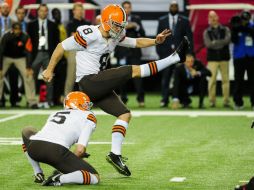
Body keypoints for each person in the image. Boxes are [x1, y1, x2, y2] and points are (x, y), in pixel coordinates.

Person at [42, 4, 189, 176]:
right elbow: (61, 46)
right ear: (105, 21)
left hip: (98, 83)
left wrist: (155, 41)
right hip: (88, 81)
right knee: (131, 70)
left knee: (124, 114)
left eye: (121, 25)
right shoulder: (89, 34)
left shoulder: (114, 35)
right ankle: (175, 58)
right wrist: (49, 69)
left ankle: (114, 154)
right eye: (116, 25)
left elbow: (135, 42)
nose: (119, 29)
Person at [21, 91, 99, 186]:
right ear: (75, 104)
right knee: (94, 177)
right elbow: (80, 150)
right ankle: (59, 178)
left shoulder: (55, 112)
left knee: (27, 130)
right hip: (55, 152)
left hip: (34, 148)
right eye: (84, 104)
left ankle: (38, 172)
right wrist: (73, 160)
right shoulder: (88, 116)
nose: (87, 107)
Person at [156, 0, 193, 108]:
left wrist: (188, 53)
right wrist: (160, 54)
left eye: (175, 6)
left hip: (180, 55)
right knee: (165, 78)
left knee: (181, 78)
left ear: (178, 7)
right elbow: (157, 38)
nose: (173, 7)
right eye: (172, 6)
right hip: (166, 55)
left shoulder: (185, 20)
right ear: (169, 7)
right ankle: (164, 99)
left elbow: (189, 37)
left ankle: (183, 100)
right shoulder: (162, 20)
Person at [27, 4, 59, 108]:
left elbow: (56, 42)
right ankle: (31, 100)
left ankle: (49, 101)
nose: (43, 12)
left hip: (48, 54)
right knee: (30, 76)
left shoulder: (53, 25)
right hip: (36, 54)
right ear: (38, 12)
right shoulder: (31, 25)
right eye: (41, 10)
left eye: (45, 11)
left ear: (47, 12)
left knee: (49, 77)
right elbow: (29, 42)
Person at [114, 1, 146, 107]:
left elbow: (143, 34)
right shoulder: (117, 19)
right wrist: (123, 27)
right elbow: (112, 35)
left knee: (138, 77)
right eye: (125, 8)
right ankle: (123, 99)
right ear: (122, 9)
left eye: (128, 7)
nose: (127, 9)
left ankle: (141, 100)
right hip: (122, 52)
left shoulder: (136, 19)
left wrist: (136, 26)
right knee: (121, 77)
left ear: (131, 8)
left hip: (135, 53)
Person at [0, 22, 38, 108]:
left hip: (20, 58)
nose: (18, 31)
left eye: (19, 29)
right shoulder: (6, 37)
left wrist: (28, 67)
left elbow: (29, 52)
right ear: (12, 29)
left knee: (29, 76)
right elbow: (1, 52)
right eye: (16, 29)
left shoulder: (25, 36)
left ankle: (31, 101)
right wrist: (0, 68)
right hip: (7, 57)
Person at [203, 11, 231, 108]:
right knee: (212, 81)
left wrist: (215, 42)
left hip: (224, 58)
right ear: (208, 19)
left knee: (225, 80)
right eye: (211, 17)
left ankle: (226, 101)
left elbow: (228, 40)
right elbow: (208, 44)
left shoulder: (226, 29)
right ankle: (212, 101)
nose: (213, 18)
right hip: (212, 59)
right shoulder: (206, 32)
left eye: (214, 16)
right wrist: (221, 43)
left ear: (218, 17)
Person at [64, 2, 91, 96]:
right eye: (78, 10)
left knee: (85, 77)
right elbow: (72, 38)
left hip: (85, 51)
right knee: (71, 77)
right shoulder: (70, 24)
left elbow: (90, 38)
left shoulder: (87, 23)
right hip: (73, 51)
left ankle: (85, 100)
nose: (80, 12)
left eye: (81, 10)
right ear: (74, 11)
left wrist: (78, 36)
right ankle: (66, 99)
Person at [230, 11, 254, 110]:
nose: (244, 22)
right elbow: (234, 40)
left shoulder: (252, 26)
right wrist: (235, 29)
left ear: (249, 19)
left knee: (253, 80)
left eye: (246, 20)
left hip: (252, 56)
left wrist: (246, 29)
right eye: (242, 19)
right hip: (239, 57)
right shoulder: (236, 26)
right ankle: (238, 102)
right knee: (238, 80)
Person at [51, 8, 67, 105]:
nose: (58, 15)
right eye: (55, 14)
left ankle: (59, 98)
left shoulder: (61, 25)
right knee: (55, 78)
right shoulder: (53, 26)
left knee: (62, 78)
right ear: (52, 15)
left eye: (59, 13)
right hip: (56, 54)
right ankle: (54, 98)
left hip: (63, 55)